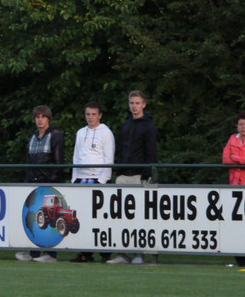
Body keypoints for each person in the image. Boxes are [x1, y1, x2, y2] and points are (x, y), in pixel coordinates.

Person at [113, 90, 158, 263]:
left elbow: (151, 152)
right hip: (123, 175)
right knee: (122, 217)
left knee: (140, 216)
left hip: (140, 176)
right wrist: (118, 171)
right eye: (132, 103)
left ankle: (140, 253)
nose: (134, 106)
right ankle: (123, 254)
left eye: (137, 103)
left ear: (144, 105)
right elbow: (120, 149)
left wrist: (146, 175)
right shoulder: (125, 125)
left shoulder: (149, 126)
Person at [16, 105, 65, 262]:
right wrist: (28, 181)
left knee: (50, 219)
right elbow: (29, 163)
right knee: (34, 218)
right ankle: (34, 253)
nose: (40, 119)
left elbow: (58, 163)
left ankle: (50, 254)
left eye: (43, 117)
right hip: (33, 184)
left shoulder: (55, 136)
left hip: (48, 184)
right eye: (37, 117)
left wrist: (50, 182)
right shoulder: (33, 137)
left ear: (48, 119)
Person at [71, 102, 115, 262]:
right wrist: (74, 179)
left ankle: (105, 254)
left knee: (100, 219)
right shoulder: (80, 132)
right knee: (82, 218)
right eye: (88, 114)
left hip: (98, 179)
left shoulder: (106, 133)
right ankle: (85, 253)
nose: (90, 117)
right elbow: (76, 157)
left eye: (93, 114)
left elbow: (109, 158)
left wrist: (102, 181)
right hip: (81, 179)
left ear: (100, 115)